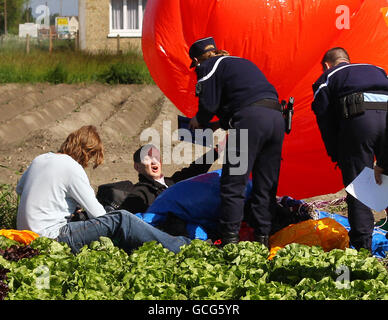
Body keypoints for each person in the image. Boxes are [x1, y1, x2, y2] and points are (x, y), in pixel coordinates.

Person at [16, 125, 191, 254]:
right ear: (87, 152)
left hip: (25, 233)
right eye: (91, 158)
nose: (87, 163)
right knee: (121, 219)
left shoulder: (41, 158)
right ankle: (181, 246)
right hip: (51, 236)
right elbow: (99, 216)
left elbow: (20, 190)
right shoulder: (72, 167)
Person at [188, 37, 286, 247]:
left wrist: (199, 120)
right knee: (265, 185)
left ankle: (229, 243)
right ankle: (263, 240)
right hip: (276, 119)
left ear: (197, 60)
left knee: (233, 183)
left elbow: (208, 104)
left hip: (250, 121)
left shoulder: (208, 65)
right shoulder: (238, 62)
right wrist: (216, 126)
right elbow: (245, 99)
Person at [311, 47, 388, 252]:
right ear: (348, 59)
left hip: (360, 120)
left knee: (360, 185)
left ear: (326, 65)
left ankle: (363, 248)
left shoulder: (328, 76)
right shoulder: (377, 69)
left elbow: (324, 117)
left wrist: (336, 152)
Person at [119, 143, 219, 214]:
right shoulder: (139, 192)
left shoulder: (172, 182)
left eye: (156, 157)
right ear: (137, 167)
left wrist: (217, 150)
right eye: (147, 159)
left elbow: (194, 170)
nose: (154, 162)